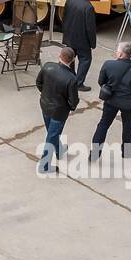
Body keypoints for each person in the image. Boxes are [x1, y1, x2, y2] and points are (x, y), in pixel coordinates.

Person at [91, 42, 131, 160]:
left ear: (121, 54)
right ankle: (126, 152)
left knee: (103, 125)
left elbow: (101, 82)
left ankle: (95, 153)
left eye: (117, 50)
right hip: (129, 104)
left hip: (111, 101)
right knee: (128, 128)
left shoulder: (108, 64)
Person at [35, 47, 80, 175]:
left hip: (45, 105)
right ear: (72, 60)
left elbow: (39, 83)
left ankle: (59, 150)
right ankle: (44, 165)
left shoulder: (48, 66)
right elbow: (73, 101)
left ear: (59, 55)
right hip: (59, 112)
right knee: (52, 135)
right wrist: (69, 107)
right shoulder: (71, 78)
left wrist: (45, 95)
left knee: (52, 132)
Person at [61, 0, 97, 90]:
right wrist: (92, 43)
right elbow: (90, 28)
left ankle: (70, 78)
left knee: (70, 58)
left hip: (69, 37)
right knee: (86, 59)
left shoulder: (70, 1)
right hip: (82, 41)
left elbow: (64, 17)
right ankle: (78, 83)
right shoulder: (88, 7)